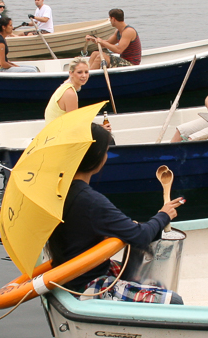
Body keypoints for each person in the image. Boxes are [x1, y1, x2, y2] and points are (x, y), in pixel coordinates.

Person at [47, 123, 185, 302]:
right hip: (86, 284)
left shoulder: (58, 190)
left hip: (68, 277)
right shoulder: (90, 200)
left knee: (149, 280)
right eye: (105, 152)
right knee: (173, 300)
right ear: (97, 155)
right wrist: (163, 215)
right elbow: (141, 237)